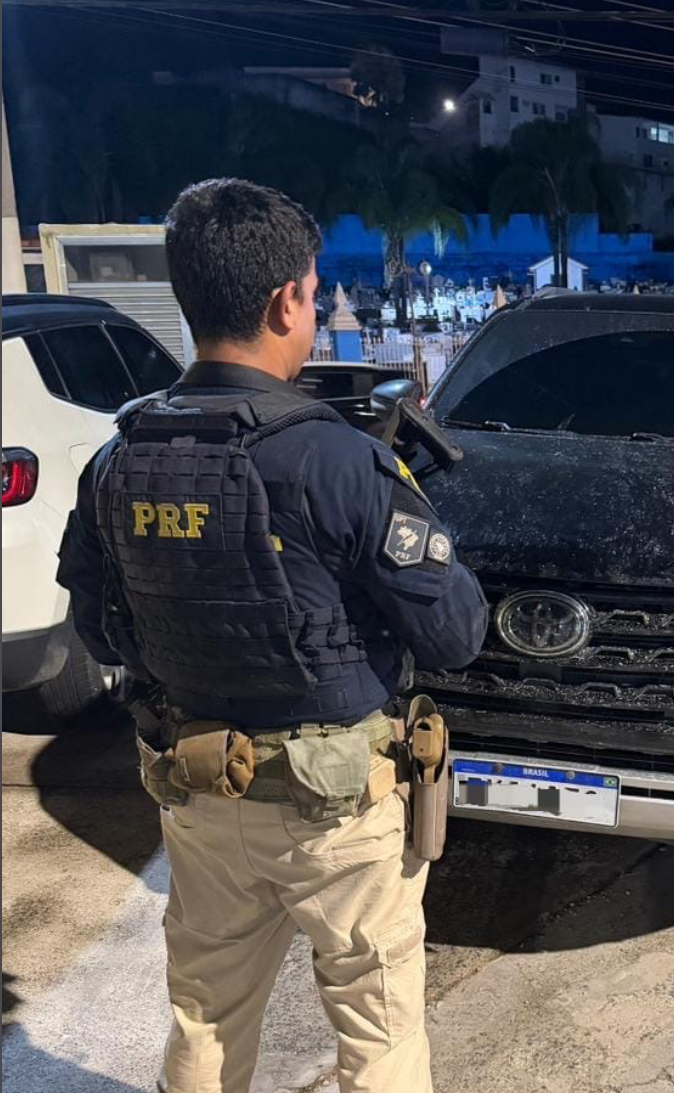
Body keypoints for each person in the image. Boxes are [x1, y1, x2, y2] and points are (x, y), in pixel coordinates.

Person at [57, 178, 488, 1093]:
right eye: (315, 292)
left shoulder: (117, 458)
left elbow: (98, 630)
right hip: (340, 812)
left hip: (201, 797)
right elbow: (454, 632)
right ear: (287, 300)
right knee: (377, 1031)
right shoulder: (340, 459)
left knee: (206, 1017)